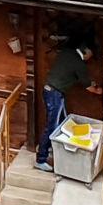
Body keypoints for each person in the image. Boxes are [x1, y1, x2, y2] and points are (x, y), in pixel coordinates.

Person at [36, 41, 91, 171]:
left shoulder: (66, 53)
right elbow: (88, 86)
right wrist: (98, 90)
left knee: (63, 122)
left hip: (49, 90)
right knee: (52, 126)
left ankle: (55, 149)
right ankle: (41, 158)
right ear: (86, 52)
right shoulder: (79, 63)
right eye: (91, 54)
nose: (91, 58)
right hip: (55, 94)